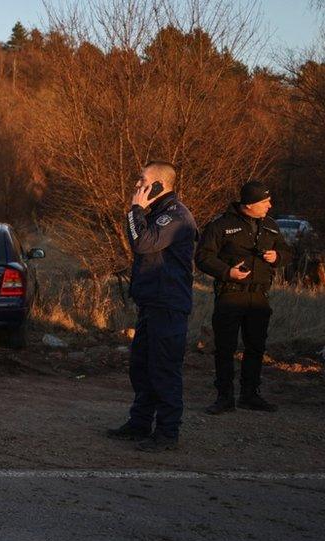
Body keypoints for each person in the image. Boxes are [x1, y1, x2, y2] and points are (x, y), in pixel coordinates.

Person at [107, 161, 198, 452]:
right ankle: (139, 424)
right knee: (142, 367)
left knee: (164, 369)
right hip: (152, 303)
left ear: (158, 185)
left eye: (142, 181)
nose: (137, 186)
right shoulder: (158, 214)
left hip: (168, 305)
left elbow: (143, 244)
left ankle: (167, 433)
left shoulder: (175, 216)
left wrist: (135, 210)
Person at [195, 181, 292, 414]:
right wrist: (227, 272)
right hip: (230, 296)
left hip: (259, 297)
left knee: (256, 347)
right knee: (225, 348)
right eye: (265, 202)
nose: (270, 205)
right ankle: (224, 397)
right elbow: (203, 257)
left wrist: (277, 256)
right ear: (249, 205)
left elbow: (287, 252)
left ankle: (250, 395)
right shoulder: (220, 226)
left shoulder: (270, 226)